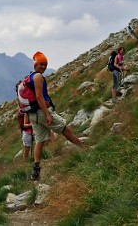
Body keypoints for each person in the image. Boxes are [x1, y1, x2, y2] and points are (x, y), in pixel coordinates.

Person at [29, 51, 89, 181]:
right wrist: (47, 114)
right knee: (64, 129)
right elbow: (39, 96)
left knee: (39, 141)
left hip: (33, 114)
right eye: (41, 64)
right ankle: (85, 149)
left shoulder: (29, 77)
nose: (43, 67)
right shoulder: (38, 77)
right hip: (42, 112)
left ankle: (36, 170)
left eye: (45, 64)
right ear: (36, 64)